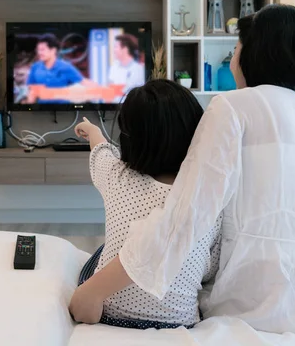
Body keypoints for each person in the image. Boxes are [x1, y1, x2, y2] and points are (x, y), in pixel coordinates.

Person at [71, 4, 295, 334]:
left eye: (236, 46)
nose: (233, 56)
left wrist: (94, 290)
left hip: (256, 302)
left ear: (257, 53)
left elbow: (187, 213)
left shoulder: (232, 106)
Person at [69, 80, 222, 330]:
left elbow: (101, 152)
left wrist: (93, 131)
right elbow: (210, 268)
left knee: (101, 252)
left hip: (112, 314)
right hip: (178, 323)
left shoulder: (116, 176)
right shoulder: (209, 199)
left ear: (130, 139)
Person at [27, 34, 83, 102]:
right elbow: (32, 91)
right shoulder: (35, 67)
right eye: (38, 50)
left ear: (53, 50)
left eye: (42, 50)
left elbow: (82, 83)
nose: (39, 53)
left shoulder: (66, 67)